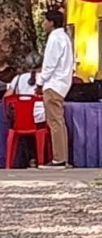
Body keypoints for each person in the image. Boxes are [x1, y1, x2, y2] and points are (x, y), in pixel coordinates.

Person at [37, 10, 75, 167]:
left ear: (51, 22)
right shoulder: (65, 37)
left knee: (54, 122)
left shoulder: (54, 38)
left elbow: (49, 64)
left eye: (45, 21)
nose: (43, 24)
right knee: (59, 122)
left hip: (53, 84)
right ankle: (62, 156)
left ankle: (58, 158)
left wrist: (40, 82)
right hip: (62, 84)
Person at [6, 53, 45, 168]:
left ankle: (30, 158)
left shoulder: (17, 79)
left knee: (24, 125)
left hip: (20, 120)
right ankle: (42, 158)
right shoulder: (45, 79)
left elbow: (7, 97)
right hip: (40, 119)